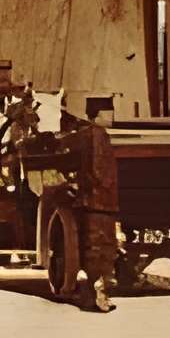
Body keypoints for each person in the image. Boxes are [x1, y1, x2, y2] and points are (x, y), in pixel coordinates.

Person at [60, 93, 121, 313]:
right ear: (97, 115)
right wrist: (101, 185)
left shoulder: (83, 135)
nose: (111, 116)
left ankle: (95, 295)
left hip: (92, 201)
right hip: (101, 202)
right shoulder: (98, 135)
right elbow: (100, 171)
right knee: (101, 249)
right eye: (108, 112)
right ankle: (98, 296)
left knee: (95, 249)